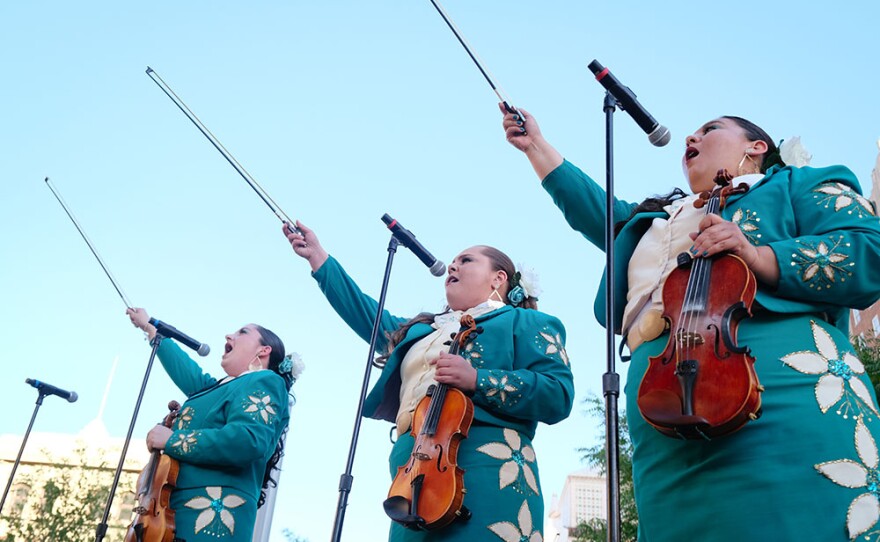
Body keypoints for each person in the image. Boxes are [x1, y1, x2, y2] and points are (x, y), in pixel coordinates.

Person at [500, 104, 880, 540]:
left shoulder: (795, 184)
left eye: (710, 129)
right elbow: (590, 206)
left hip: (782, 396)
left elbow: (869, 250)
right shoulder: (654, 219)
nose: (690, 139)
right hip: (663, 412)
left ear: (756, 147)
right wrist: (536, 147)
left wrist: (758, 257)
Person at [281, 221, 574, 541]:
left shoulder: (525, 321)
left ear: (498, 278)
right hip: (411, 481)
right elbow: (367, 313)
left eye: (467, 260)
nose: (453, 264)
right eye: (454, 260)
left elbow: (558, 393)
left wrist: (477, 379)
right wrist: (319, 258)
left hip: (489, 471)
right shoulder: (421, 330)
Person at [126, 308, 294, 541]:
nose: (229, 336)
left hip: (208, 522)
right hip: (170, 516)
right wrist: (150, 329)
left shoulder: (265, 381)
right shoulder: (217, 389)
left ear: (264, 351)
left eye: (242, 332)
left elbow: (248, 440)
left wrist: (171, 439)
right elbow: (187, 371)